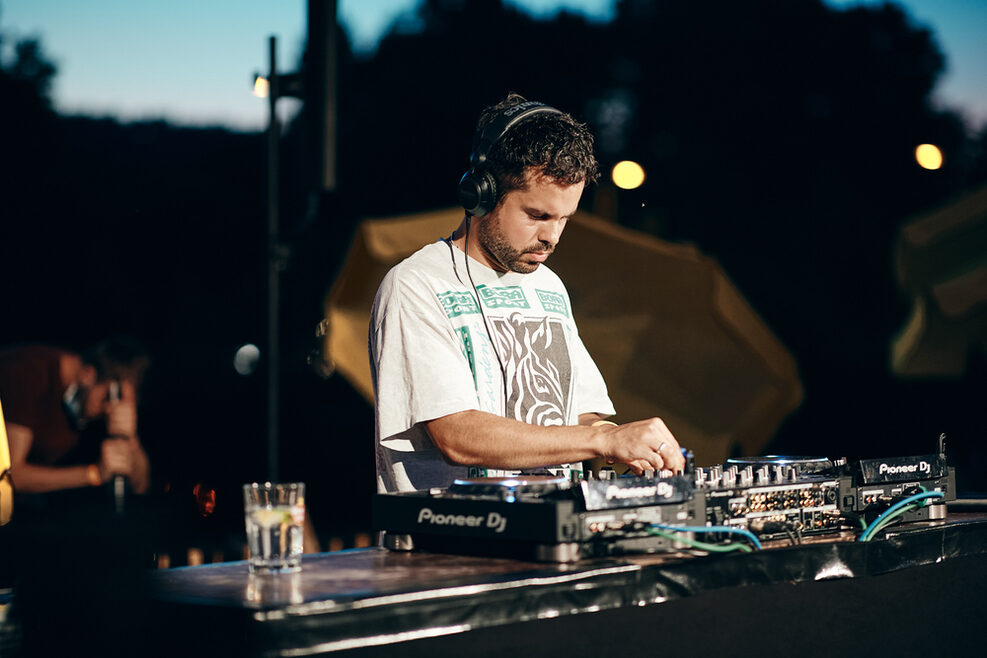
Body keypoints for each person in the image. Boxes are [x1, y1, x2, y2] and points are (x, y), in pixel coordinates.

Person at [370, 93, 685, 493]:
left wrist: (622, 438)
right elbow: (456, 435)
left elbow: (580, 416)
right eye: (537, 215)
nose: (551, 237)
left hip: (549, 538)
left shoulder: (549, 286)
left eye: (564, 219)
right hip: (450, 550)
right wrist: (602, 439)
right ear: (481, 195)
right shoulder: (416, 285)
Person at [0, 336, 152, 502]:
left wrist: (130, 435)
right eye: (108, 397)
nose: (110, 411)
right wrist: (93, 474)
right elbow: (10, 474)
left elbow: (141, 486)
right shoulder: (26, 372)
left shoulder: (92, 399)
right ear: (88, 374)